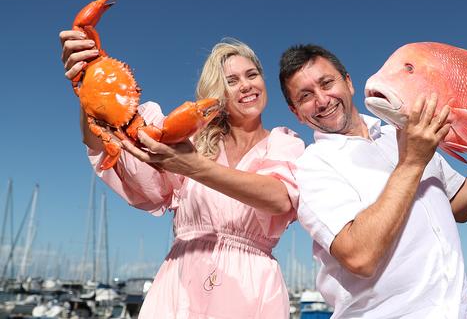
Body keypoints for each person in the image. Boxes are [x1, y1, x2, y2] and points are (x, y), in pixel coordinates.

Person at [278, 44, 467, 318]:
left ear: (348, 82)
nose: (322, 100)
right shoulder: (312, 166)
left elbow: (459, 204)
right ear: (295, 112)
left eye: (327, 83)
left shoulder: (402, 133)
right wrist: (412, 162)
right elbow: (359, 257)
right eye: (305, 96)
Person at [59, 33, 304, 318]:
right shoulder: (190, 140)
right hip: (182, 279)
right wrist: (88, 84)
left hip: (251, 287)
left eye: (252, 75)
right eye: (232, 81)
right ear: (218, 91)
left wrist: (193, 167)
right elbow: (111, 143)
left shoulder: (284, 143)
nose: (246, 85)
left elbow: (281, 199)